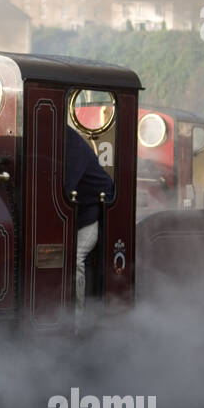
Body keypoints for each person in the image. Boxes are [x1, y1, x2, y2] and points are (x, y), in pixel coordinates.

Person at [65, 125, 115, 317]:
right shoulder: (64, 143)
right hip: (77, 214)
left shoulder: (73, 148)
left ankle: (77, 319)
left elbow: (67, 187)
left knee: (76, 257)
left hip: (91, 214)